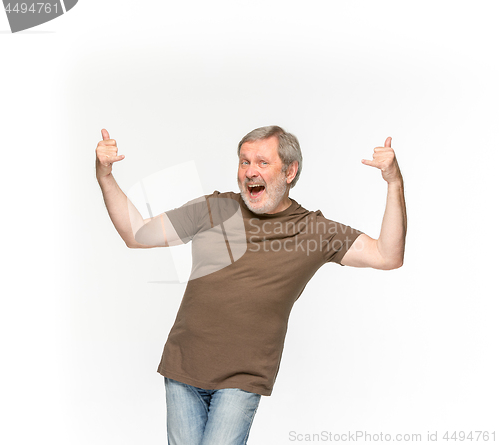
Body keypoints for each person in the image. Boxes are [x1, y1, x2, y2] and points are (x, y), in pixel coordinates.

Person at [95, 125, 406, 444]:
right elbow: (137, 234)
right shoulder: (215, 209)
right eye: (244, 162)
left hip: (242, 378)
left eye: (262, 162)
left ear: (290, 171)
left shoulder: (313, 231)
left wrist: (394, 182)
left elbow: (387, 255)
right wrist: (105, 176)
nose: (250, 171)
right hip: (183, 367)